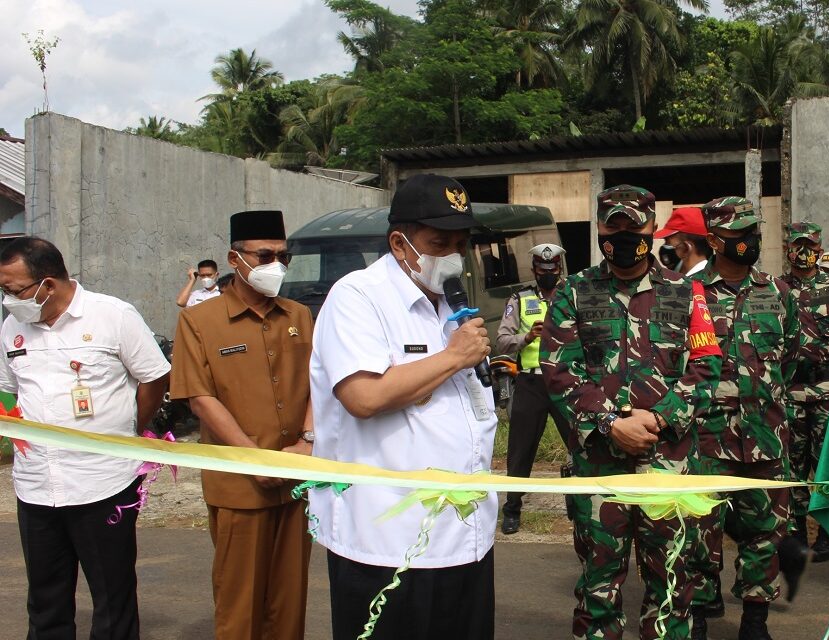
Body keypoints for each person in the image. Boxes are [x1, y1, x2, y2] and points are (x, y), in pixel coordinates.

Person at [309, 174, 496, 640]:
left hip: (465, 535)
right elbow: (363, 397)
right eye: (439, 243)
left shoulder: (450, 305)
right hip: (387, 543)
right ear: (399, 242)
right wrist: (453, 357)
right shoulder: (358, 296)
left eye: (461, 244)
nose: (452, 256)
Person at [540, 184, 721, 640]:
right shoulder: (574, 291)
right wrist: (609, 423)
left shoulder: (686, 292)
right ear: (599, 229)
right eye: (612, 226)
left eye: (633, 225)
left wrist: (659, 418)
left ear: (652, 227)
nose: (622, 235)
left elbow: (707, 367)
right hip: (600, 465)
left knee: (672, 584)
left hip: (668, 463)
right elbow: (558, 370)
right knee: (598, 587)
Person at [0, 236, 170, 638]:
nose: (9, 301)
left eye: (14, 290)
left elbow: (154, 376)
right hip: (36, 487)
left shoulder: (113, 315)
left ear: (48, 284)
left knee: (112, 599)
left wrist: (130, 428)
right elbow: (9, 391)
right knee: (46, 601)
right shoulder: (12, 327)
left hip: (103, 483)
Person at [170, 210, 315, 640]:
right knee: (240, 602)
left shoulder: (298, 316)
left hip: (295, 477)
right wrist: (252, 459)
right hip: (239, 484)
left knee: (289, 600)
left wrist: (308, 441)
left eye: (284, 257)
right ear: (235, 259)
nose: (277, 265)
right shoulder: (199, 320)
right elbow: (200, 398)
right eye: (265, 255)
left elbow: (318, 385)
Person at [689, 197, 806, 640]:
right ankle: (699, 615)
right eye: (739, 234)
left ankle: (755, 621)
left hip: (766, 437)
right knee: (701, 533)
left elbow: (788, 359)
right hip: (706, 440)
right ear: (715, 240)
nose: (750, 241)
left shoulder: (778, 292)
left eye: (753, 232)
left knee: (765, 535)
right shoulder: (688, 293)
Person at [778, 222, 829, 564]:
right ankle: (795, 534)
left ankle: (828, 534)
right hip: (790, 390)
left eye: (810, 246)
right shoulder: (774, 289)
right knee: (791, 466)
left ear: (820, 249)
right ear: (788, 249)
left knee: (827, 465)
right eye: (797, 246)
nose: (803, 252)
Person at [495, 242, 571, 534]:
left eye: (552, 269)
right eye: (542, 269)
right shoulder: (520, 299)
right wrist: (526, 337)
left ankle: (580, 505)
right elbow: (502, 341)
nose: (548, 274)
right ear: (534, 270)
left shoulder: (570, 295)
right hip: (531, 381)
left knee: (579, 446)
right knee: (520, 450)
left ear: (559, 269)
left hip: (564, 381)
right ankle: (512, 509)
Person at [654, 206, 711, 276]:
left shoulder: (696, 281)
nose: (664, 247)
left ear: (686, 248)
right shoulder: (711, 275)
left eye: (668, 242)